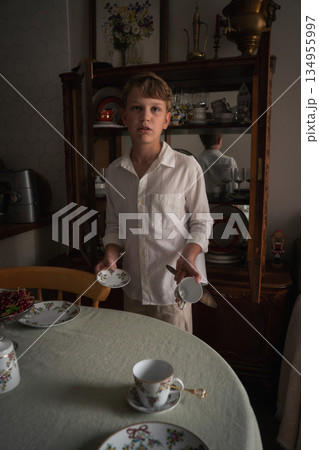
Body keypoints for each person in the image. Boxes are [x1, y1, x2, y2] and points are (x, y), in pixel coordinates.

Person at [95, 72, 213, 333]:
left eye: (155, 109)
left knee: (175, 362)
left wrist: (189, 255)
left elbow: (202, 223)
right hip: (132, 291)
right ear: (124, 117)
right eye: (137, 108)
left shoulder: (186, 168)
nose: (145, 116)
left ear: (167, 120)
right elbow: (114, 225)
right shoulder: (114, 172)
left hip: (172, 292)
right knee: (137, 360)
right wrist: (111, 255)